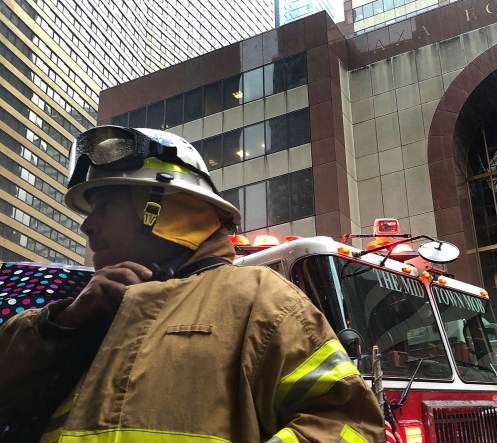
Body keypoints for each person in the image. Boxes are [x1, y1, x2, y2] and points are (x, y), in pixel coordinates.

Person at [0, 126, 383, 443]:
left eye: (106, 206)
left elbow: (348, 425)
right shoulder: (78, 312)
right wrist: (63, 325)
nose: (87, 224)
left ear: (162, 208)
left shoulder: (257, 297)